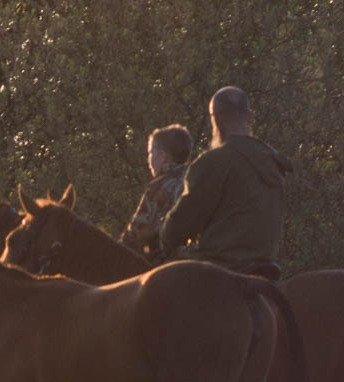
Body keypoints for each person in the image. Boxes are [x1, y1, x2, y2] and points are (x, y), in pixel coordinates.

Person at [160, 85, 290, 278]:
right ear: (250, 117)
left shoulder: (214, 162)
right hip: (265, 269)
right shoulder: (274, 162)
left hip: (220, 270)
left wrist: (161, 240)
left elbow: (178, 227)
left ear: (216, 120)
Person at [119, 124, 192, 262]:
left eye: (151, 152)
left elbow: (136, 233)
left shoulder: (158, 187)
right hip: (189, 263)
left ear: (164, 156)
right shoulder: (191, 184)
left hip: (159, 267)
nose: (149, 160)